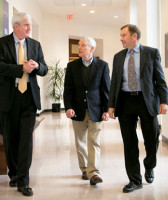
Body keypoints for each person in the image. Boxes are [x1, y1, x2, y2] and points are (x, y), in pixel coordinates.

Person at [0, 12, 48, 196]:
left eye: (30, 25)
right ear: (15, 26)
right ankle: (14, 174)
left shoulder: (35, 45)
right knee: (10, 139)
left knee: (26, 140)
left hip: (29, 98)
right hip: (8, 98)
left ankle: (23, 181)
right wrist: (20, 69)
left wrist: (37, 66)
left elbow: (44, 69)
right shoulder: (0, 43)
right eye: (26, 25)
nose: (29, 28)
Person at [108, 24, 168, 193]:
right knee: (129, 142)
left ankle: (149, 166)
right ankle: (134, 180)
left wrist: (164, 101)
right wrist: (111, 106)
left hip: (146, 100)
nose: (121, 38)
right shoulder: (118, 57)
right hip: (125, 101)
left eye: (123, 35)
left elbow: (160, 79)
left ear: (134, 36)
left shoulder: (151, 53)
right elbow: (114, 83)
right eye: (120, 35)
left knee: (152, 138)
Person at [63, 37, 110, 186]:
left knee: (94, 141)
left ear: (92, 48)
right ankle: (84, 169)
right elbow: (68, 90)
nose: (79, 47)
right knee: (80, 141)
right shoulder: (72, 66)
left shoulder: (102, 65)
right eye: (79, 45)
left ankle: (93, 172)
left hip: (96, 109)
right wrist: (68, 107)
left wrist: (106, 109)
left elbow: (106, 89)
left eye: (83, 45)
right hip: (77, 109)